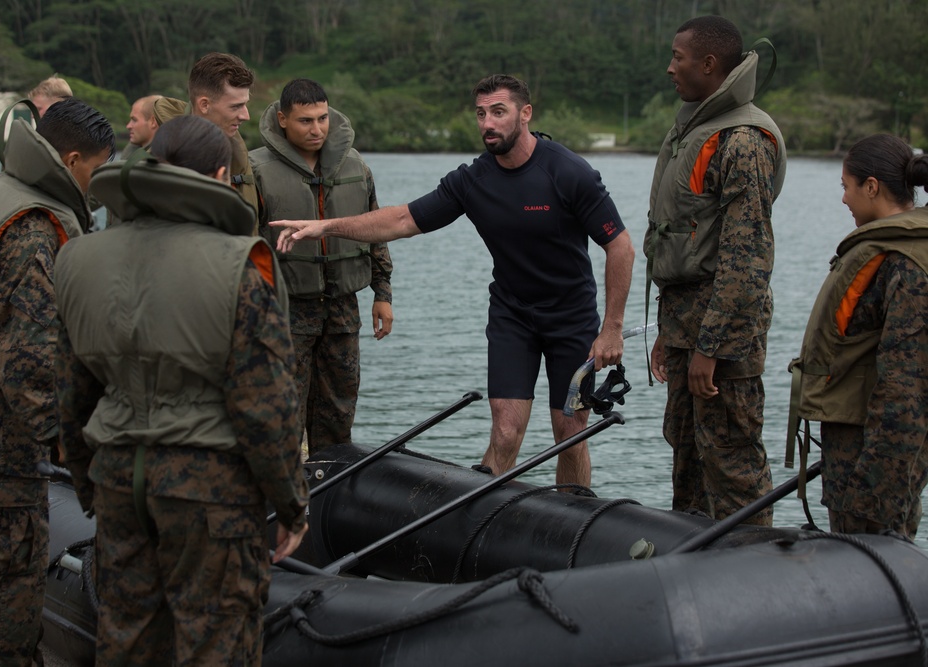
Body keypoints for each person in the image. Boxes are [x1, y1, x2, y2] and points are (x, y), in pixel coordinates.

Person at [273, 74, 634, 487]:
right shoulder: (472, 180)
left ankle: (575, 523)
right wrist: (326, 227)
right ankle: (481, 528)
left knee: (570, 434)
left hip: (571, 318)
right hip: (513, 316)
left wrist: (612, 329)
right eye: (481, 114)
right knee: (505, 431)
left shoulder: (569, 172)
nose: (487, 123)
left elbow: (620, 247)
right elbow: (402, 219)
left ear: (525, 114)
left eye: (498, 112)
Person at [55, 114, 309, 664]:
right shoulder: (238, 266)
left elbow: (72, 395)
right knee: (216, 642)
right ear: (220, 175)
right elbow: (265, 406)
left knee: (125, 636)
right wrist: (291, 504)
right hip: (211, 491)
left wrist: (87, 483)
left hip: (119, 477)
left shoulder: (77, 259)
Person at [0, 97, 114, 666]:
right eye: (98, 169)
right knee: (12, 571)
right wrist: (65, 440)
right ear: (73, 158)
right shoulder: (33, 224)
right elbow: (28, 355)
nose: (101, 182)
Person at [646, 15, 787, 525]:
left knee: (731, 462)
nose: (670, 68)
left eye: (678, 58)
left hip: (720, 338)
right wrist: (672, 336)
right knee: (686, 456)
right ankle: (694, 565)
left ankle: (751, 571)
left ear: (709, 64)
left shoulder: (742, 142)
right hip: (685, 326)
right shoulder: (693, 130)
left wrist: (712, 346)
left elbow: (745, 258)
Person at [788, 134, 928, 538]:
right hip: (856, 456)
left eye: (846, 187)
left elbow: (907, 390)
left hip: (873, 468)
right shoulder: (883, 250)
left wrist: (874, 497)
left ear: (871, 187)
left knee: (874, 569)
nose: (844, 199)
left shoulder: (905, 264)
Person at [249, 78, 394, 455]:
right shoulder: (255, 169)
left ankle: (332, 483)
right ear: (282, 119)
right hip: (285, 310)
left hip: (343, 309)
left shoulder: (355, 164)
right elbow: (244, 248)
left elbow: (374, 229)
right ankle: (286, 490)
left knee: (340, 406)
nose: (316, 129)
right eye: (305, 121)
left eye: (322, 118)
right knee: (284, 408)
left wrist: (383, 293)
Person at [154, 52, 260, 220]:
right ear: (204, 104)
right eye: (236, 107)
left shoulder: (237, 149)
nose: (246, 116)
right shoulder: (159, 160)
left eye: (245, 105)